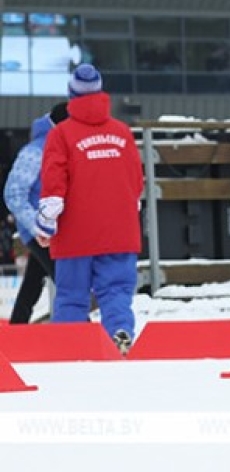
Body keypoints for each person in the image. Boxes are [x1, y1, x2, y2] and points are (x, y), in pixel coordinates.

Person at [37, 64, 144, 353]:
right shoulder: (122, 133)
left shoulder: (61, 135)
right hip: (119, 232)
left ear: (71, 95)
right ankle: (119, 331)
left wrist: (45, 224)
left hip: (76, 234)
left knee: (72, 296)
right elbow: (137, 184)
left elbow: (54, 188)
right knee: (116, 292)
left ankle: (70, 347)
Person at [4, 102, 68, 323]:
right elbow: (14, 192)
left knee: (34, 280)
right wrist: (38, 225)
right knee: (67, 281)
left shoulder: (61, 147)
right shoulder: (36, 151)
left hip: (53, 230)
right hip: (39, 230)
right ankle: (82, 331)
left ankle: (17, 327)